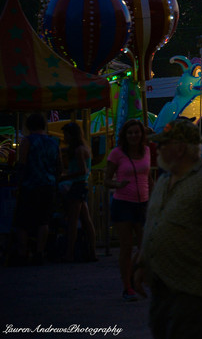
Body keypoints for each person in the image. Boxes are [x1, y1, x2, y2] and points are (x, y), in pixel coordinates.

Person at [134, 118, 202, 339]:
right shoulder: (164, 180)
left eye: (164, 144)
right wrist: (143, 263)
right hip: (161, 284)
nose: (158, 148)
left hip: (192, 287)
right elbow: (154, 222)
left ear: (180, 148)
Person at [105, 119, 153, 301]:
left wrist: (156, 197)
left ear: (142, 135)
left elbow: (148, 177)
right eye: (130, 133)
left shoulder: (147, 151)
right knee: (126, 247)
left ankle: (135, 277)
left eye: (137, 132)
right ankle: (127, 286)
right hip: (123, 203)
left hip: (142, 204)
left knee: (145, 247)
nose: (134, 135)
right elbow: (106, 180)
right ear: (125, 135)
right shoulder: (117, 154)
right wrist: (118, 184)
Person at [13, 113, 61, 266]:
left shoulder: (27, 141)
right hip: (48, 185)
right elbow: (58, 165)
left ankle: (22, 253)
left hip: (30, 185)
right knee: (43, 220)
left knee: (23, 221)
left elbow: (22, 164)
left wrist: (17, 184)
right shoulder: (54, 142)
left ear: (28, 126)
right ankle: (39, 252)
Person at [58, 122, 97, 263]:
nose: (64, 137)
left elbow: (82, 171)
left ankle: (69, 253)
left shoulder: (79, 150)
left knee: (73, 221)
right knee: (86, 220)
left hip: (78, 185)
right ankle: (92, 252)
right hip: (82, 185)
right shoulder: (83, 148)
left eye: (66, 134)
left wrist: (64, 177)